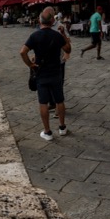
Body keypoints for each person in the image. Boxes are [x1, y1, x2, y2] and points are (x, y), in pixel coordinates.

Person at [21, 9, 71, 141]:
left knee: (43, 102)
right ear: (52, 21)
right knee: (59, 100)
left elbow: (23, 52)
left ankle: (47, 132)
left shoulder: (34, 35)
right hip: (56, 71)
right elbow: (68, 49)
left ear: (39, 21)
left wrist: (30, 65)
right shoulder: (57, 35)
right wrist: (63, 34)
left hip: (41, 73)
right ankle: (62, 128)